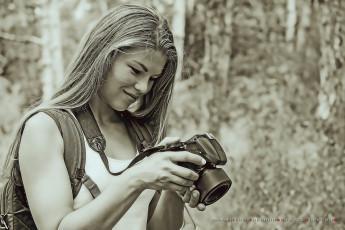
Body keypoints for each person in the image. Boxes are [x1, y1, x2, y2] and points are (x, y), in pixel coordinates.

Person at [1, 4, 206, 230]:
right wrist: (136, 178)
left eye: (153, 78)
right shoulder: (46, 128)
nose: (143, 87)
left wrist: (175, 188)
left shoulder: (141, 134)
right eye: (136, 70)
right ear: (103, 56)